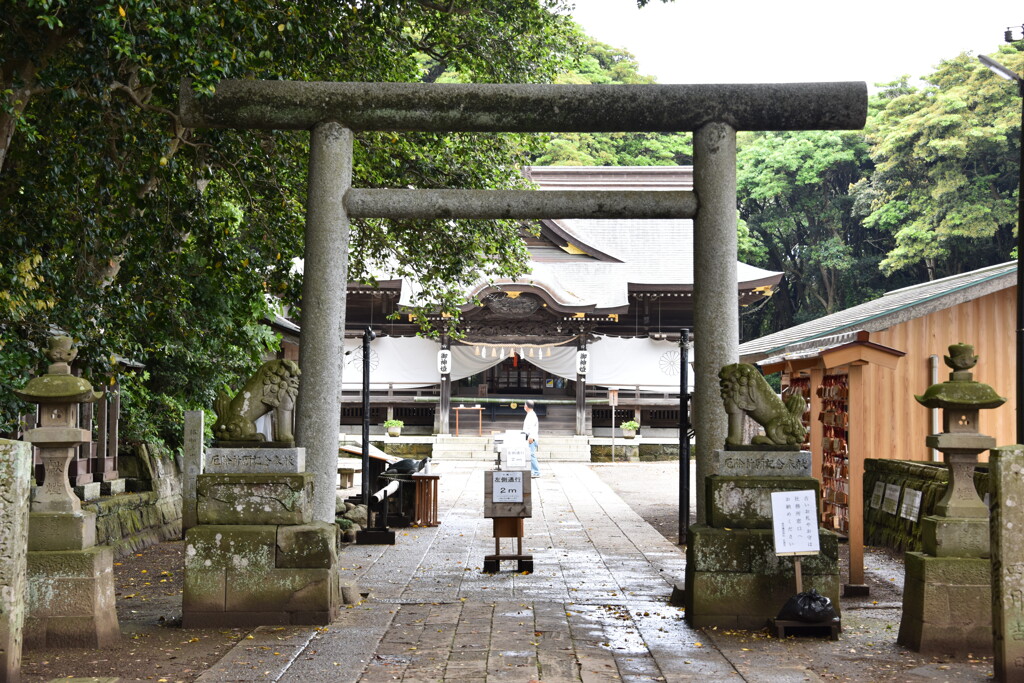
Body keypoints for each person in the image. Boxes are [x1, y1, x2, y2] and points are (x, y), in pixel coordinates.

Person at [523, 399, 540, 478]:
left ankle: (536, 472)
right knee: (530, 455)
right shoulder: (530, 414)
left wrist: (531, 438)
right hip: (530, 437)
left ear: (526, 406)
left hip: (531, 438)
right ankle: (533, 471)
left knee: (531, 455)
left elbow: (532, 428)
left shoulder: (532, 415)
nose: (524, 406)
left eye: (524, 405)